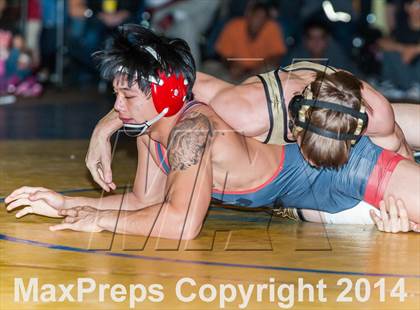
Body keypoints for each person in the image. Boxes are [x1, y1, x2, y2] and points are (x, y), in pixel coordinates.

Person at [5, 25, 420, 236]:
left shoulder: (194, 127)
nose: (117, 108)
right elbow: (141, 202)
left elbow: (181, 226)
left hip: (349, 166)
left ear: (166, 94)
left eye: (127, 98)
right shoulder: (152, 128)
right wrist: (63, 205)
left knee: (396, 137)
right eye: (116, 95)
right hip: (312, 199)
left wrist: (95, 219)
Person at [88, 63, 419, 191]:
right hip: (277, 106)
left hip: (351, 109)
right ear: (296, 131)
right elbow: (162, 85)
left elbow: (399, 158)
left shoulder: (377, 117)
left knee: (403, 141)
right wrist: (104, 128)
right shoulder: (242, 113)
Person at [214, 1, 287, 80]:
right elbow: (223, 55)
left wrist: (260, 66)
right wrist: (231, 65)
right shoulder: (233, 26)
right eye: (256, 16)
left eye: (262, 18)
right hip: (234, 71)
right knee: (210, 67)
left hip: (259, 72)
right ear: (248, 15)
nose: (258, 21)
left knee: (271, 70)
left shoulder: (272, 28)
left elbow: (277, 55)